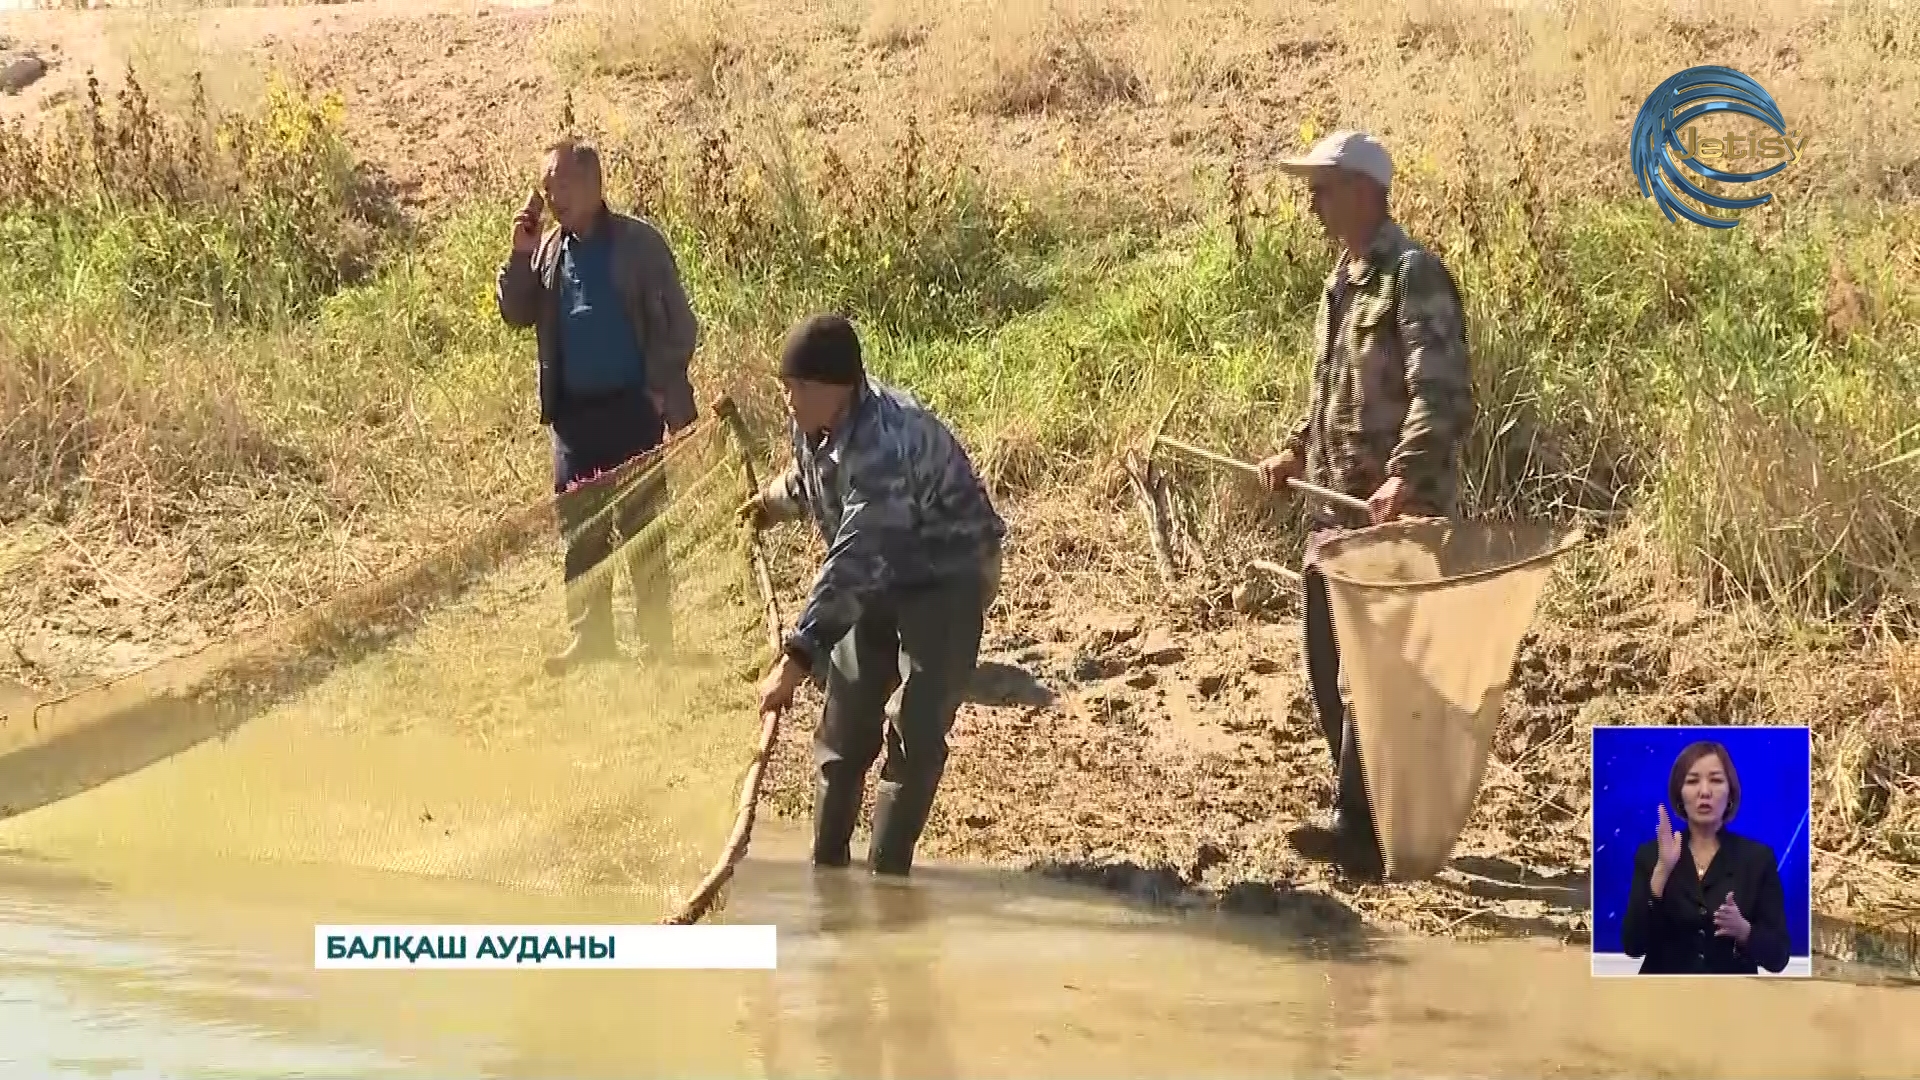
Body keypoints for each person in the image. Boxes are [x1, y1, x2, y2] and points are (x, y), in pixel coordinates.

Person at [1253, 130, 1475, 877]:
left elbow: (1441, 391)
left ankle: (1359, 824)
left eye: (1324, 187)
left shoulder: (1412, 275)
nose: (1312, 202)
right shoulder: (1341, 282)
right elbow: (1334, 392)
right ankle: (1372, 812)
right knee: (1326, 664)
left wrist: (1406, 477)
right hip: (1332, 512)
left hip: (1392, 519)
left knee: (1374, 675)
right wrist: (1293, 449)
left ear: (1364, 191)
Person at [740, 313, 1006, 878]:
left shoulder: (885, 443)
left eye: (799, 387)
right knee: (848, 715)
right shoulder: (815, 421)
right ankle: (827, 873)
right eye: (785, 386)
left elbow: (855, 560)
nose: (788, 399)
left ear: (837, 388)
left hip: (947, 574)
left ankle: (888, 875)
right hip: (881, 569)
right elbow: (813, 476)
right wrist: (771, 503)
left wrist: (796, 657)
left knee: (915, 724)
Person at [495, 137, 700, 676]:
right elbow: (515, 314)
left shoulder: (639, 245)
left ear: (594, 184)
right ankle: (592, 639)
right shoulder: (547, 249)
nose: (551, 195)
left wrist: (658, 390)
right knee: (582, 535)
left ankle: (657, 641)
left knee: (642, 530)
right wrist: (519, 253)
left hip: (633, 411)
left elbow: (678, 327)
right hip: (573, 418)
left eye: (561, 183)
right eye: (546, 184)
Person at [1621, 740, 1792, 975]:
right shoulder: (1651, 856)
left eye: (1716, 780)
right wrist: (1661, 872)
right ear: (1679, 795)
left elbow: (1778, 957)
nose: (1704, 792)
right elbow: (1633, 946)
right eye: (1692, 781)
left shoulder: (1757, 859)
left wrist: (1744, 931)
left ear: (1730, 793)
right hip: (1663, 998)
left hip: (1731, 1001)